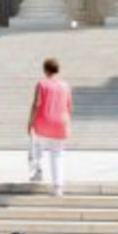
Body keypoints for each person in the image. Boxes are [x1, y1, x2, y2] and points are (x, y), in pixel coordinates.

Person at [26, 57, 73, 195]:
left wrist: (30, 122)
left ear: (45, 69)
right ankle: (58, 187)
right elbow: (69, 106)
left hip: (43, 121)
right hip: (61, 123)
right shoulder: (66, 85)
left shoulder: (41, 84)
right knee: (57, 154)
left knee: (37, 147)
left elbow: (36, 104)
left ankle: (38, 171)